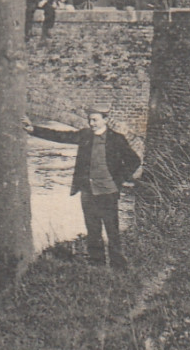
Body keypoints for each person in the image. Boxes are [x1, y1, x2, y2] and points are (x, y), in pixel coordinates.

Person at [24, 105, 143, 269]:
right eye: (90, 120)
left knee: (112, 229)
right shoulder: (85, 135)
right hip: (88, 191)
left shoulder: (117, 139)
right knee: (92, 229)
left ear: (105, 120)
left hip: (108, 192)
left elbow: (134, 160)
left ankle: (118, 265)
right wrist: (33, 130)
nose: (91, 123)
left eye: (95, 120)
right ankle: (96, 263)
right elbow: (61, 136)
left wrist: (119, 179)